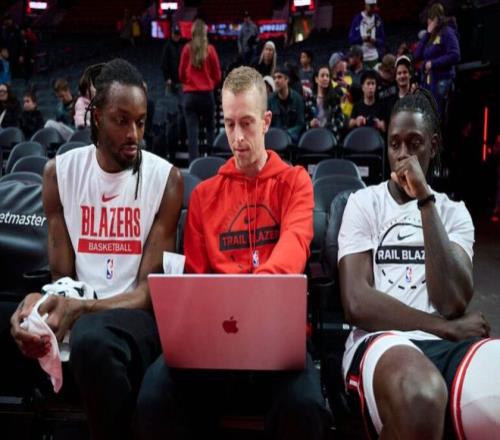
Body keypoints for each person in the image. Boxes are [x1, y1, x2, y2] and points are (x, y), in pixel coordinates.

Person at [134, 65, 331, 440]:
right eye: (228, 124)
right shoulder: (204, 196)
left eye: (247, 123)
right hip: (216, 343)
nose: (237, 138)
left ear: (266, 121)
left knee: (305, 406)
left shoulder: (295, 183)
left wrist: (250, 296)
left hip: (277, 340)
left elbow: (294, 246)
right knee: (154, 395)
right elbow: (196, 282)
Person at [7, 58, 183, 440]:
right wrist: (37, 305)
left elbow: (148, 293)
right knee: (14, 321)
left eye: (141, 122)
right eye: (122, 120)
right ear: (97, 118)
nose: (134, 134)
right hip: (80, 308)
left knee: (91, 338)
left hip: (135, 320)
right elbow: (62, 278)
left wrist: (82, 310)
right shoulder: (59, 174)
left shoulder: (165, 179)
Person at [337, 89, 500, 439]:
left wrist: (425, 199)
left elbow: (451, 301)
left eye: (414, 144)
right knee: (421, 395)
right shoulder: (363, 203)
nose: (402, 156)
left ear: (433, 146)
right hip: (382, 340)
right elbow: (357, 303)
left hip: (449, 345)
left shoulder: (453, 213)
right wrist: (442, 328)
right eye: (395, 144)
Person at [178, 18, 221, 162]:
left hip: (190, 95)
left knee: (192, 133)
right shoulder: (210, 49)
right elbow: (217, 75)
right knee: (210, 130)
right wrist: (210, 83)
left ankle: (193, 165)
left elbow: (181, 74)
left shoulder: (186, 49)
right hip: (206, 95)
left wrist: (189, 83)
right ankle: (212, 161)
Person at [414, 2, 460, 118]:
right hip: (429, 82)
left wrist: (433, 63)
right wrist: (427, 34)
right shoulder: (431, 35)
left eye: (429, 20)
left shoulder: (447, 32)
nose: (428, 22)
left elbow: (455, 55)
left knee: (436, 116)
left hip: (441, 80)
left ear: (435, 19)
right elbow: (417, 54)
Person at [305, 65, 345, 143]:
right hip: (313, 137)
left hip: (331, 138)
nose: (325, 78)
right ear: (316, 79)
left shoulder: (335, 98)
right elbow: (304, 122)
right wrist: (310, 124)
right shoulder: (309, 100)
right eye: (322, 75)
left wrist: (328, 128)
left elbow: (340, 121)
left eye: (327, 76)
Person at [268, 64, 305, 145]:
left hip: (292, 141)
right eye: (274, 78)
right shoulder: (270, 100)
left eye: (279, 77)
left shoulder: (298, 99)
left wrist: (286, 134)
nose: (276, 81)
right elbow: (267, 123)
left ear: (287, 79)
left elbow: (300, 124)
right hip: (274, 139)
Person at [349, 0, 385, 69]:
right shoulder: (357, 19)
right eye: (371, 6)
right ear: (365, 5)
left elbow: (382, 40)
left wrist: (374, 41)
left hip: (374, 57)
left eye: (374, 6)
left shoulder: (378, 19)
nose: (373, 9)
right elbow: (351, 39)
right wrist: (362, 39)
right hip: (360, 59)